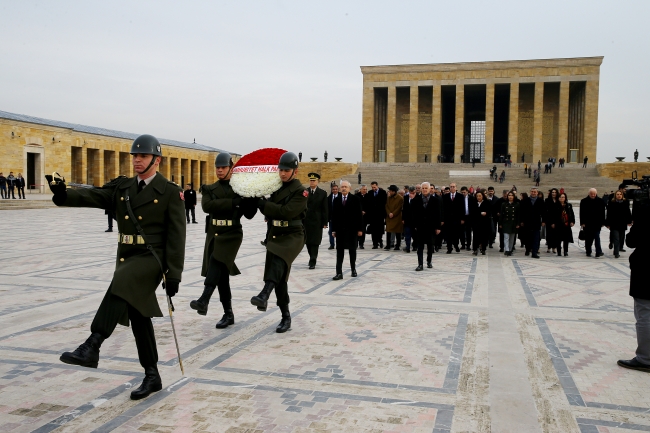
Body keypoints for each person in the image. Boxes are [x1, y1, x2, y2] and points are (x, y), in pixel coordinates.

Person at [52, 134, 186, 400]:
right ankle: (152, 375)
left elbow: (177, 236)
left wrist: (174, 274)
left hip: (151, 259)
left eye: (143, 156)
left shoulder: (170, 192)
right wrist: (63, 194)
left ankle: (93, 344)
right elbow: (94, 195)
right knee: (139, 316)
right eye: (134, 156)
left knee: (121, 283)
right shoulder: (123, 187)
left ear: (156, 160)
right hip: (127, 255)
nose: (137, 160)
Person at [191, 152, 257, 328]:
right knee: (221, 276)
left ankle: (204, 299)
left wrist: (253, 196)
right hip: (214, 233)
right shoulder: (209, 189)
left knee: (216, 260)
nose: (220, 171)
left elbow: (249, 214)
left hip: (232, 234)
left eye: (223, 167)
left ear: (231, 168)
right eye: (218, 168)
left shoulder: (241, 189)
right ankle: (228, 314)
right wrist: (234, 203)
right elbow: (207, 206)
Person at [251, 152, 307, 333]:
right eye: (281, 170)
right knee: (280, 279)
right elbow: (271, 212)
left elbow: (286, 212)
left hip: (293, 236)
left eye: (287, 170)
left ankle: (264, 293)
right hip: (275, 235)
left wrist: (264, 205)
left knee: (278, 262)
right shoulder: (276, 188)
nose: (282, 173)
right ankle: (286, 316)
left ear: (295, 171)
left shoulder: (301, 191)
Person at [617, 199, 650, 373]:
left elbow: (631, 241)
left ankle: (645, 358)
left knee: (644, 312)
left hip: (646, 269)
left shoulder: (646, 209)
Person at [331, 180, 363, 280]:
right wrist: (333, 230)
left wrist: (360, 229)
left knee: (352, 251)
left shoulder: (355, 199)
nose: (344, 188)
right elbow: (334, 216)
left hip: (352, 230)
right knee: (339, 251)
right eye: (342, 187)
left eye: (346, 187)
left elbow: (359, 215)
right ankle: (339, 273)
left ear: (350, 188)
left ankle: (353, 269)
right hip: (340, 230)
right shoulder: (336, 200)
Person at [412, 182, 441, 270]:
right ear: (421, 189)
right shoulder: (416, 200)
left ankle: (429, 261)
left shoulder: (435, 200)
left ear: (429, 189)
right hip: (420, 226)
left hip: (431, 226)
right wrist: (415, 225)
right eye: (423, 188)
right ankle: (420, 264)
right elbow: (413, 214)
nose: (424, 190)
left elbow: (438, 214)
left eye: (426, 188)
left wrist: (438, 227)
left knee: (430, 245)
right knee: (420, 246)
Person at [304, 172, 329, 269]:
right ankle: (311, 256)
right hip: (306, 220)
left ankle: (313, 260)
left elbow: (325, 209)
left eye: (314, 180)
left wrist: (325, 222)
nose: (312, 182)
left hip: (317, 221)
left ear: (317, 181)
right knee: (308, 241)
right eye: (311, 180)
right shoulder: (305, 192)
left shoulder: (322, 193)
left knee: (315, 241)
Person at [606, 190, 632, 258]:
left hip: (622, 223)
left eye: (620, 194)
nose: (619, 195)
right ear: (615, 195)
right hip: (614, 223)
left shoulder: (625, 202)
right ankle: (616, 252)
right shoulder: (611, 203)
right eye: (617, 194)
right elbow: (608, 214)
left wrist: (629, 221)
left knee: (620, 238)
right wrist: (607, 223)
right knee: (616, 238)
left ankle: (614, 246)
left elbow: (628, 212)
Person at [580, 188, 606, 258]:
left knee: (597, 237)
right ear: (589, 194)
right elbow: (581, 213)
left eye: (594, 194)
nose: (593, 195)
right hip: (587, 223)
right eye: (591, 194)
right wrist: (582, 222)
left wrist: (603, 222)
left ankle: (598, 252)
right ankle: (588, 251)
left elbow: (603, 213)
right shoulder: (584, 201)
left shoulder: (600, 201)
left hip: (597, 223)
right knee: (588, 238)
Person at [520, 187, 545, 258]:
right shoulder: (525, 201)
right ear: (530, 192)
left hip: (536, 222)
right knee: (528, 237)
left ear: (537, 193)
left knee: (536, 238)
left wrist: (543, 221)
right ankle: (527, 249)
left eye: (535, 192)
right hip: (527, 222)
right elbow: (521, 212)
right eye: (532, 192)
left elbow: (543, 212)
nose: (533, 193)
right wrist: (521, 221)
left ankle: (534, 252)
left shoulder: (541, 201)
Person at [442, 182, 464, 254]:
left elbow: (462, 208)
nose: (452, 188)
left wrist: (462, 218)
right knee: (448, 234)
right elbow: (443, 208)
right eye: (451, 186)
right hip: (448, 219)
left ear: (456, 187)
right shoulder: (445, 196)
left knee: (456, 234)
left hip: (457, 219)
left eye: (453, 186)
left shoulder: (460, 196)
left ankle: (456, 245)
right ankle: (449, 248)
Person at [551, 192, 575, 256]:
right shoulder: (555, 205)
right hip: (558, 224)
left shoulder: (568, 205)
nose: (562, 198)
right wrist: (552, 223)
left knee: (566, 239)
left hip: (566, 225)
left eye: (563, 197)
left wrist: (572, 221)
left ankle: (565, 251)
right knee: (558, 239)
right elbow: (552, 215)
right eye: (561, 197)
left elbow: (572, 214)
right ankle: (559, 251)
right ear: (558, 198)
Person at [471, 190, 491, 255]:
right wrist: (480, 213)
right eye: (477, 196)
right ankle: (475, 249)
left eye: (480, 196)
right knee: (475, 236)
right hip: (476, 222)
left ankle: (483, 249)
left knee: (484, 236)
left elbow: (489, 212)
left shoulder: (487, 202)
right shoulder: (474, 203)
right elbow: (473, 212)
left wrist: (486, 213)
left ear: (483, 196)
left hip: (484, 223)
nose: (478, 197)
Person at [500, 191, 520, 256]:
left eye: (511, 195)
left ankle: (510, 249)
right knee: (506, 237)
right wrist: (500, 223)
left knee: (512, 238)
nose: (510, 197)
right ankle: (507, 249)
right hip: (506, 223)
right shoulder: (504, 204)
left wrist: (518, 223)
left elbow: (518, 215)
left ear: (514, 196)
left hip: (513, 223)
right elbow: (501, 215)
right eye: (509, 195)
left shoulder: (517, 204)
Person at [368, 181, 387, 249]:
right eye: (372, 187)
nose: (373, 188)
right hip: (372, 215)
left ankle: (380, 241)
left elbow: (385, 203)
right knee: (373, 230)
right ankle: (375, 244)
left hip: (380, 215)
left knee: (379, 229)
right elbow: (368, 203)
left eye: (375, 187)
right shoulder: (370, 193)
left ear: (377, 186)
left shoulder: (383, 192)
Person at [384, 185, 404, 250]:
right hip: (389, 217)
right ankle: (388, 245)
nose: (389, 192)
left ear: (394, 191)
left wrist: (393, 213)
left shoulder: (400, 198)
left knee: (398, 232)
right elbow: (386, 206)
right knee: (388, 231)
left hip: (397, 217)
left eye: (390, 191)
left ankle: (397, 245)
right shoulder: (389, 198)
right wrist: (389, 213)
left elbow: (399, 208)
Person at [402, 186, 416, 253]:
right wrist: (403, 218)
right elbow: (404, 209)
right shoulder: (406, 197)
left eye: (413, 193)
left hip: (415, 221)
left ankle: (415, 246)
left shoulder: (418, 198)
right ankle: (407, 247)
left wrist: (413, 199)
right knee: (407, 235)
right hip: (407, 220)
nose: (411, 194)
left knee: (414, 235)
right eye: (410, 193)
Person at [544, 188, 559, 254]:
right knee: (549, 234)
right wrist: (551, 222)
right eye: (552, 192)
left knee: (556, 234)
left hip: (557, 221)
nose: (553, 193)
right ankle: (549, 247)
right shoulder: (547, 200)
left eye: (555, 192)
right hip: (549, 220)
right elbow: (546, 212)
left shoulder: (558, 201)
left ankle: (554, 247)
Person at [356, 184, 370, 249]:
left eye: (366, 189)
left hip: (365, 216)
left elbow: (370, 205)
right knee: (356, 230)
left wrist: (365, 211)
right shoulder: (356, 196)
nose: (365, 190)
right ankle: (356, 242)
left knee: (363, 230)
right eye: (364, 189)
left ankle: (361, 243)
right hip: (357, 216)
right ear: (360, 189)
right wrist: (360, 211)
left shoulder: (368, 196)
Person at [327, 184, 339, 249]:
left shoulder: (341, 196)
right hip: (332, 218)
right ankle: (332, 244)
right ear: (331, 190)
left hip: (340, 218)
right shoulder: (329, 198)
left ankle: (339, 244)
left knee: (339, 231)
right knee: (331, 231)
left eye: (336, 189)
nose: (335, 190)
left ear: (338, 189)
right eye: (333, 189)